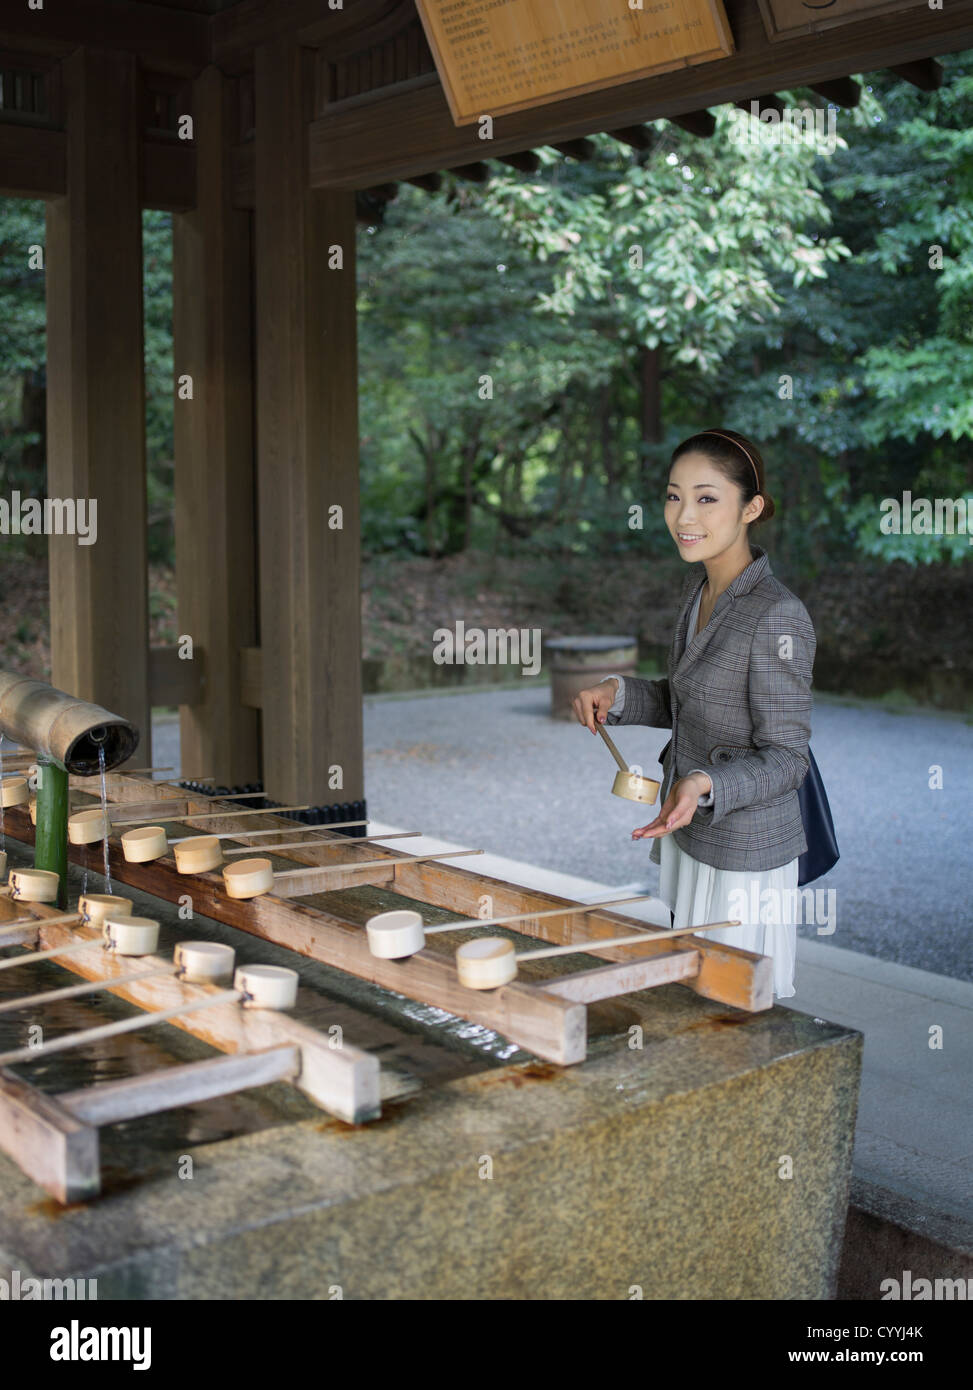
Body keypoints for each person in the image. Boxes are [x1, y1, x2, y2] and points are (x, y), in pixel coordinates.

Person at [571, 428, 815, 999]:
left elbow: (788, 760)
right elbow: (691, 698)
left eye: (707, 498)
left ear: (751, 508)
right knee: (693, 997)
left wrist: (705, 781)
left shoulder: (778, 614)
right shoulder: (699, 588)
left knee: (730, 1008)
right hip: (692, 832)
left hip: (744, 853)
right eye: (673, 495)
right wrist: (617, 693)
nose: (684, 514)